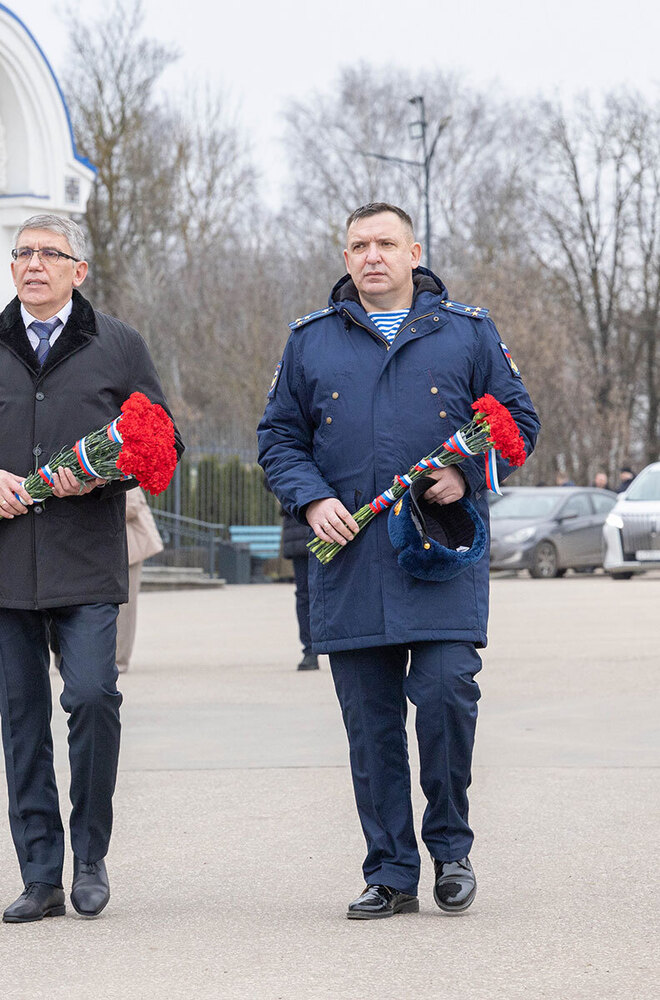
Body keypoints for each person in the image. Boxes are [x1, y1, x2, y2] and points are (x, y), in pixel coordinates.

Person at [258, 202, 539, 920]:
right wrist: (311, 499)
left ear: (414, 252)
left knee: (446, 696)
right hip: (351, 563)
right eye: (359, 245)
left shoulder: (467, 332)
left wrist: (467, 474)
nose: (372, 255)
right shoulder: (310, 342)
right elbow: (279, 438)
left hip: (440, 553)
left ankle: (451, 850)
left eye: (385, 243)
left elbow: (518, 424)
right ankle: (389, 871)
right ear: (345, 257)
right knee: (371, 725)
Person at [0, 213, 182, 923]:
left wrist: (101, 475)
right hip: (2, 567)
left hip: (86, 562)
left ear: (78, 270)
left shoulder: (118, 345)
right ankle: (41, 875)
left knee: (93, 697)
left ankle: (90, 857)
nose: (34, 264)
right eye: (24, 253)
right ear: (12, 268)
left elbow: (164, 440)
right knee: (22, 720)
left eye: (50, 254)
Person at [115, 488, 163, 673]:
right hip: (111, 549)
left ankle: (120, 659)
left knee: (125, 609)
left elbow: (132, 505)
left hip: (131, 549)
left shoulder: (124, 472)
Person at [279, 508, 317, 670]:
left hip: (331, 524)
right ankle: (309, 649)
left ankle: (312, 650)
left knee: (305, 594)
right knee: (304, 594)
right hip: (299, 528)